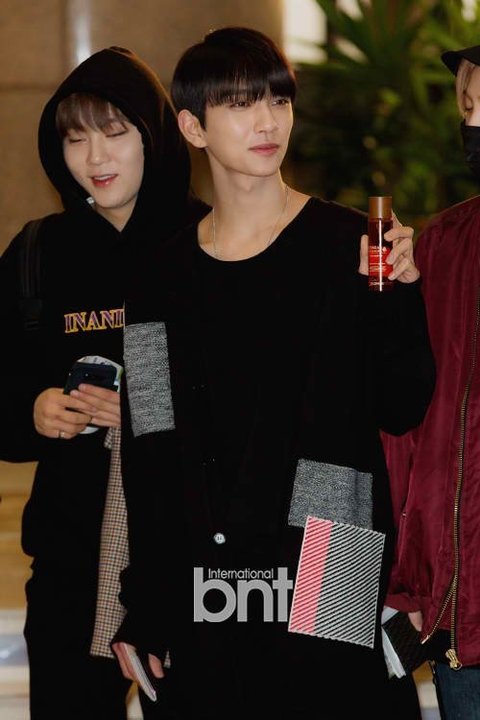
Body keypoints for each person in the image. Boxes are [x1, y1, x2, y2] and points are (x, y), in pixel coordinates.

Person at [113, 27, 435, 719]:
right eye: (240, 104)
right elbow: (149, 449)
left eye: (278, 101)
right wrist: (146, 602)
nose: (267, 121)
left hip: (333, 555)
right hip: (204, 561)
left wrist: (399, 296)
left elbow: (402, 404)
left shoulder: (355, 244)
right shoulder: (156, 279)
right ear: (193, 127)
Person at [0, 45, 207, 720]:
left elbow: (258, 400)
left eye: (115, 133)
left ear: (154, 135)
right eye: (75, 139)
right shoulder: (38, 253)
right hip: (69, 560)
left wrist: (146, 412)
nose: (95, 157)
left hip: (188, 562)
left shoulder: (208, 241)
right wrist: (33, 410)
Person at [382, 43, 480, 720]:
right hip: (457, 619)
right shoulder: (440, 247)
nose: (472, 124)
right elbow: (403, 433)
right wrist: (399, 585)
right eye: (468, 107)